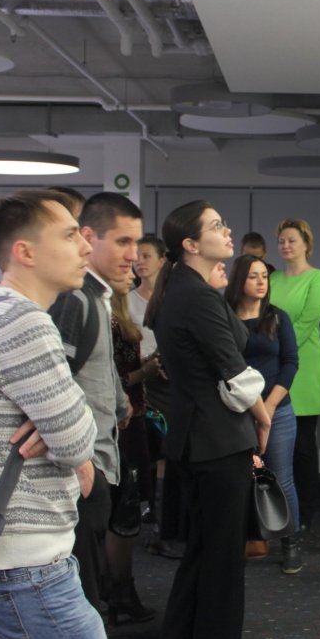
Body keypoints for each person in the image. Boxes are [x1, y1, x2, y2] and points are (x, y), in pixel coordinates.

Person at [0, 189, 109, 639]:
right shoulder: (23, 322)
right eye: (69, 235)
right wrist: (64, 429)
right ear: (25, 251)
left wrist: (56, 425)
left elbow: (63, 430)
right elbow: (77, 440)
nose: (85, 246)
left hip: (0, 554)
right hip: (27, 566)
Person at [146, 200, 271, 639]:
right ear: (191, 243)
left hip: (202, 440)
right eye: (217, 226)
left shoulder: (186, 288)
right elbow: (234, 373)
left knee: (203, 558)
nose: (228, 230)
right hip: (217, 442)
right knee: (221, 566)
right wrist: (263, 418)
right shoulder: (194, 295)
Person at [48, 192, 142, 613]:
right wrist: (80, 461)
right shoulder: (76, 299)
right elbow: (54, 386)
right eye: (122, 242)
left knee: (87, 590)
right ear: (88, 237)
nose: (133, 255)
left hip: (97, 461)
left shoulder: (97, 298)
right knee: (78, 598)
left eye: (135, 243)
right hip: (80, 468)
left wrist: (120, 405)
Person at [226, 255, 302, 573]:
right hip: (237, 411)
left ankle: (291, 544)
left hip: (278, 409)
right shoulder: (226, 318)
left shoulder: (278, 317)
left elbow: (291, 363)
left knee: (281, 478)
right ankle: (244, 541)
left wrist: (268, 408)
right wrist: (254, 410)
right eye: (253, 276)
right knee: (238, 479)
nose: (261, 282)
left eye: (264, 276)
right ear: (239, 281)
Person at [270, 218, 320, 531]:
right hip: (274, 366)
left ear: (306, 244)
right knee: (276, 447)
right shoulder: (272, 278)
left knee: (303, 446)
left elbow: (307, 323)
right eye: (281, 241)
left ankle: (305, 513)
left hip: (303, 367)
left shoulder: (317, 278)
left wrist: (276, 348)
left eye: (292, 240)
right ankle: (277, 511)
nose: (285, 246)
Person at [107, 272, 159, 624]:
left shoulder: (123, 318)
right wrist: (143, 374)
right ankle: (118, 592)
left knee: (130, 508)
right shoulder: (107, 322)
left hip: (134, 416)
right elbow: (111, 380)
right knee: (122, 511)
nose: (133, 273)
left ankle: (120, 591)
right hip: (121, 422)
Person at [131, 234, 185, 560]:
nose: (139, 261)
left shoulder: (172, 299)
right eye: (137, 256)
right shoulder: (126, 300)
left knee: (170, 453)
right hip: (142, 381)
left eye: (146, 255)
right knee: (148, 455)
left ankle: (166, 524)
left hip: (172, 380)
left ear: (163, 261)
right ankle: (150, 514)